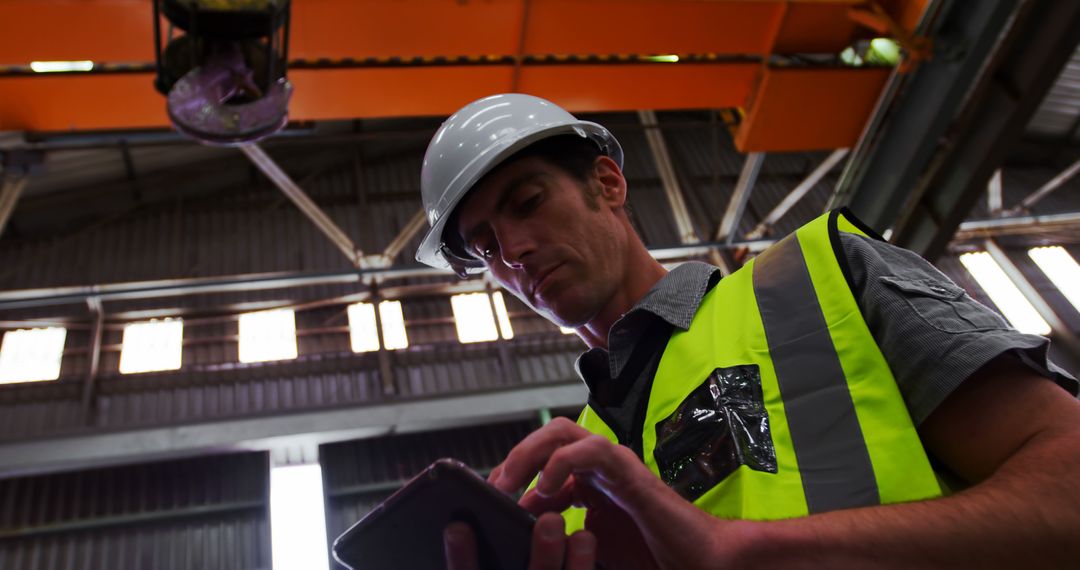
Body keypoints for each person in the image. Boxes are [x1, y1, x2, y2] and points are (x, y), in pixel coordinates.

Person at [414, 94, 1080, 569]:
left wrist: (751, 552)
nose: (515, 252)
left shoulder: (819, 284)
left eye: (528, 203)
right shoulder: (569, 473)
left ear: (607, 183)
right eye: (486, 248)